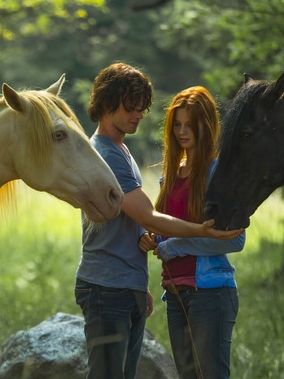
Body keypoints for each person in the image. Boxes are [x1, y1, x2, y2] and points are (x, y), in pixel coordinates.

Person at [75, 63, 243, 379]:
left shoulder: (124, 152)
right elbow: (150, 217)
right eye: (131, 107)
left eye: (142, 108)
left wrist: (154, 252)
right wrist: (168, 238)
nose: (138, 113)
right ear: (108, 103)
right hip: (133, 289)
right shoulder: (113, 157)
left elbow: (232, 237)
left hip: (196, 290)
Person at [144, 86, 245, 379]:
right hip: (174, 294)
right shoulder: (171, 174)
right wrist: (152, 237)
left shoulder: (218, 173)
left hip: (210, 294)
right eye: (177, 124)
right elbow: (165, 226)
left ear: (207, 125)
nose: (181, 131)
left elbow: (236, 238)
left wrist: (176, 246)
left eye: (190, 124)